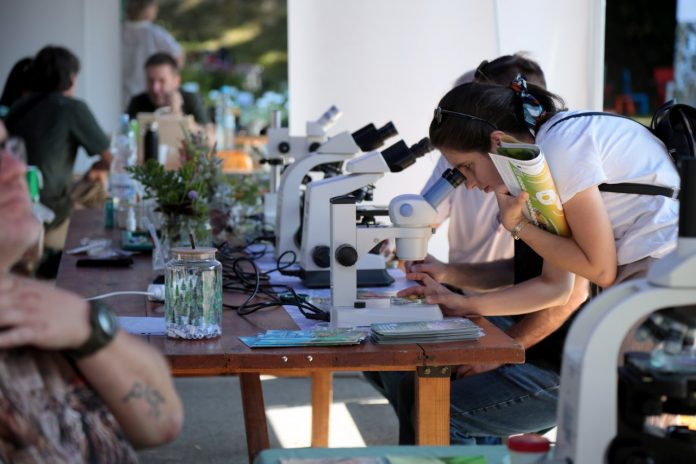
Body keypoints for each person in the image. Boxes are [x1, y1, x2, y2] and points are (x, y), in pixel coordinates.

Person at [382, 76, 678, 444]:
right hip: (646, 278)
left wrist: (519, 226)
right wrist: (464, 302)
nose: (470, 183)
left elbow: (598, 268)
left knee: (639, 435)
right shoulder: (542, 159)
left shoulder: (561, 147)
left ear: (497, 141)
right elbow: (556, 286)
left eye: (468, 166)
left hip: (663, 277)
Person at [0, 119, 183, 461]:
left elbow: (163, 424)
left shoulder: (36, 307)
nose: (16, 170)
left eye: (5, 148)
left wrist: (89, 327)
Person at [5, 45, 113, 277]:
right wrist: (96, 169)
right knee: (101, 198)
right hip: (48, 210)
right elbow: (111, 159)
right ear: (71, 78)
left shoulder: (18, 106)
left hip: (12, 203)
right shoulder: (72, 108)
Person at [122, 0, 184, 108]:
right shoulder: (154, 32)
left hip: (123, 92)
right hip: (150, 95)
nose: (157, 9)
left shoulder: (119, 30)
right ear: (146, 8)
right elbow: (179, 56)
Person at [126, 52, 209, 125]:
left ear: (176, 81)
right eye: (151, 81)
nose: (155, 88)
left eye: (162, 81)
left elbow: (209, 134)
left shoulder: (191, 100)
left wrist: (178, 114)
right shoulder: (137, 102)